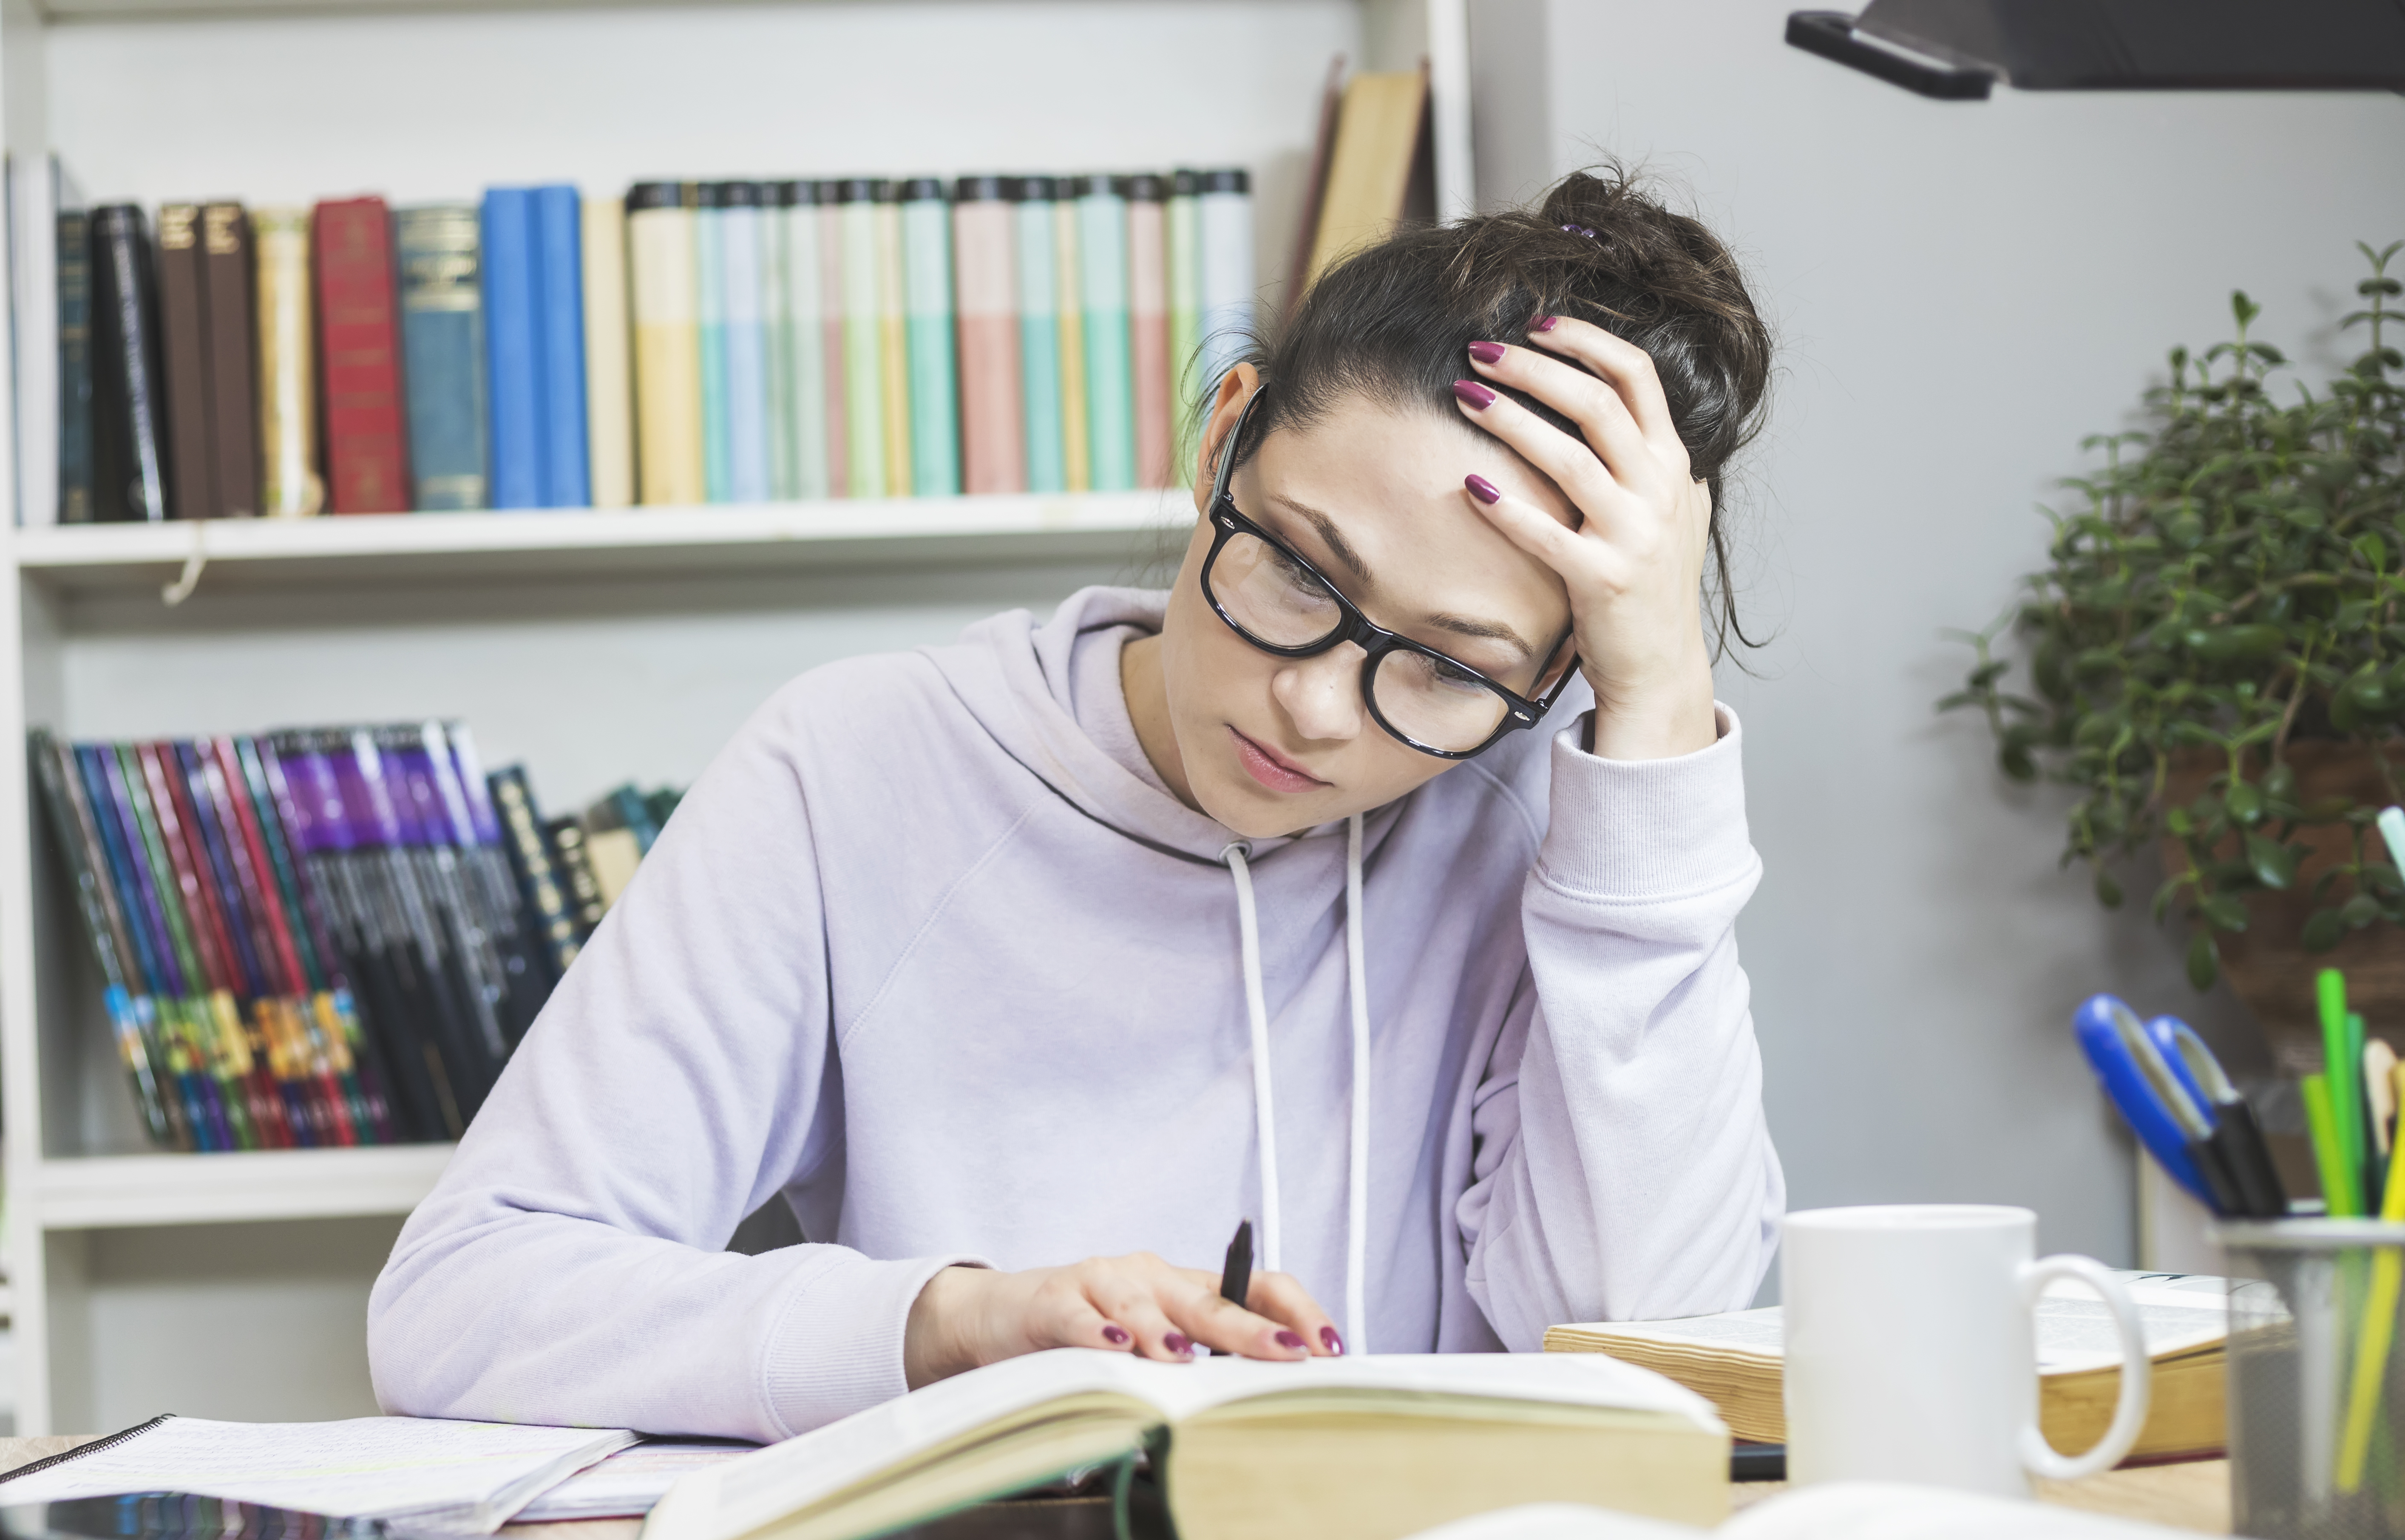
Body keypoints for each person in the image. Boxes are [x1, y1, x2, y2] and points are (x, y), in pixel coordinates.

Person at [370, 167, 1784, 1441]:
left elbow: (1650, 1344)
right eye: (1299, 570)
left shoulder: (1545, 831)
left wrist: (1655, 733)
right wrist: (953, 1326)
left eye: (1442, 666)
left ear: (1550, 676)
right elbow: (461, 1301)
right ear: (1227, 439)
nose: (1317, 705)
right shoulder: (857, 767)